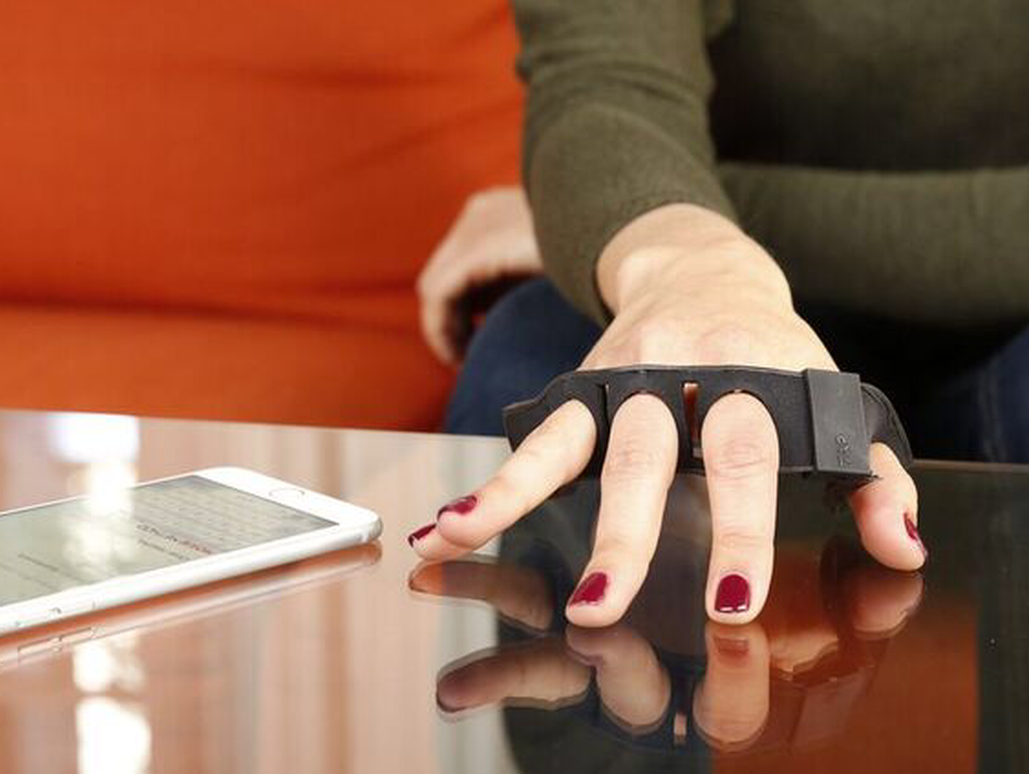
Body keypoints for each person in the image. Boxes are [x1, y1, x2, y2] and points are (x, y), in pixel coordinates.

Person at [407, 1, 1029, 626]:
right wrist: (682, 248)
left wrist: (654, 212)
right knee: (529, 354)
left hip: (1009, 340)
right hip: (727, 291)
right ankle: (615, 671)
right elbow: (607, 76)